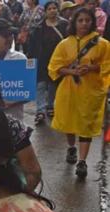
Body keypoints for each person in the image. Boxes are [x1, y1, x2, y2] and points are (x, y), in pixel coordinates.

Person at [48, 7, 110, 178]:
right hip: (68, 91)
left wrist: (92, 67)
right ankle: (71, 147)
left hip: (91, 91)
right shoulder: (64, 44)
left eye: (87, 20)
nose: (84, 23)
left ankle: (82, 162)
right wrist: (72, 72)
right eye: (80, 20)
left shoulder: (103, 44)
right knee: (69, 121)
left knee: (86, 124)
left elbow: (107, 65)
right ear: (74, 22)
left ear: (93, 22)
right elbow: (54, 67)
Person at [28, 1, 68, 125]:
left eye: (54, 8)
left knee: (52, 84)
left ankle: (50, 106)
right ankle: (40, 111)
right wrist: (31, 59)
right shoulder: (39, 27)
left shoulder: (65, 26)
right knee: (40, 85)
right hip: (41, 60)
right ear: (45, 12)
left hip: (57, 61)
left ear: (58, 9)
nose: (52, 10)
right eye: (49, 8)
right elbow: (33, 45)